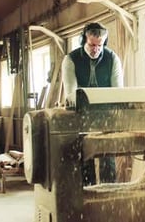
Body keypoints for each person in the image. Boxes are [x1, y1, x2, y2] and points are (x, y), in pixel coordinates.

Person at [61, 22, 123, 185]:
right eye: (91, 45)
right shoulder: (70, 60)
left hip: (105, 115)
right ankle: (88, 192)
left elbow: (118, 91)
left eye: (99, 45)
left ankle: (109, 191)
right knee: (85, 156)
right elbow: (71, 93)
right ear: (83, 41)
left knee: (107, 156)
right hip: (82, 114)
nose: (95, 49)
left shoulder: (113, 59)